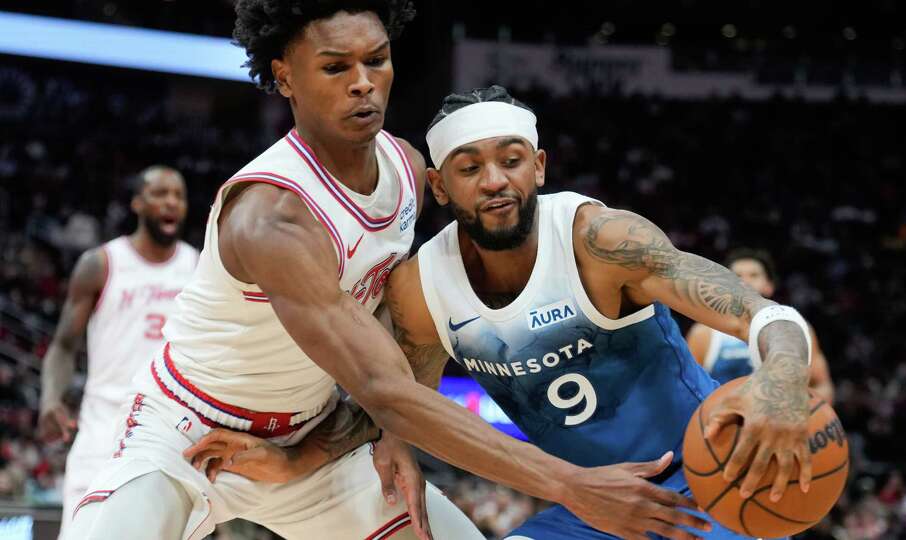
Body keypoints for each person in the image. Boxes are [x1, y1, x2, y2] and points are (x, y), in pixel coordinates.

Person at [66, 5, 695, 540]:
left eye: (377, 59)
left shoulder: (407, 170)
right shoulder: (271, 218)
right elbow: (385, 385)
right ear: (284, 77)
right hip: (186, 432)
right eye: (336, 67)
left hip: (314, 439)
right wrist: (571, 485)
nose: (364, 83)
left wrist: (361, 439)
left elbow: (401, 331)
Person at [186, 86, 818, 540]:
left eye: (511, 160)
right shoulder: (423, 287)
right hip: (587, 507)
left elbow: (765, 315)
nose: (494, 180)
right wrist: (298, 460)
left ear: (537, 167)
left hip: (708, 483)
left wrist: (785, 381)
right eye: (469, 167)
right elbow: (398, 408)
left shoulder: (600, 240)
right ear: (440, 187)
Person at [37, 166, 198, 534]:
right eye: (160, 193)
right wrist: (50, 399)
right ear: (138, 203)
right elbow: (63, 345)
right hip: (102, 427)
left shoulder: (199, 266)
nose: (171, 201)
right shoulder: (101, 264)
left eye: (179, 195)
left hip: (170, 428)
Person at [685, 248, 835, 403]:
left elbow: (822, 385)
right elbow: (687, 388)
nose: (744, 281)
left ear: (769, 286)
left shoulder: (796, 329)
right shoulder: (703, 333)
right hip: (720, 423)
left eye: (754, 275)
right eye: (736, 276)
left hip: (780, 424)